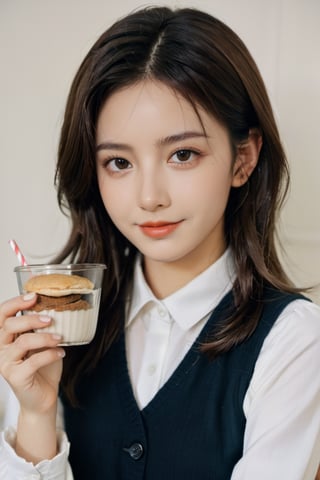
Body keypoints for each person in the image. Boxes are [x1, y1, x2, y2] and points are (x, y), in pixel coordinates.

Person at [0, 5, 319, 480]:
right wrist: (36, 414)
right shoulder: (59, 327)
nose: (149, 197)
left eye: (182, 154)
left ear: (243, 158)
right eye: (119, 163)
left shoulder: (294, 340)